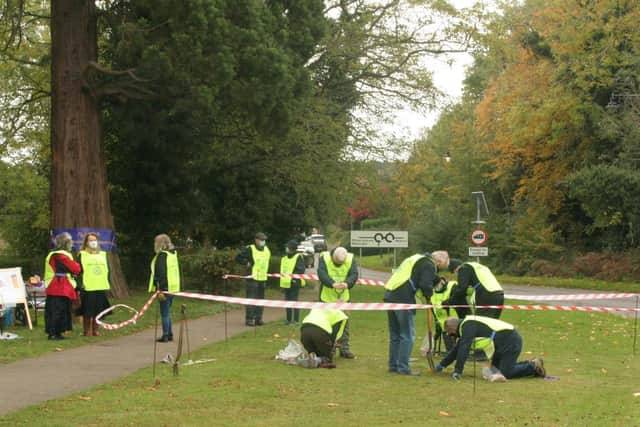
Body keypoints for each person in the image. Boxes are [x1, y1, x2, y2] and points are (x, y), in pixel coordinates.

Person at [383, 251, 446, 375]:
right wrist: (429, 296)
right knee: (407, 335)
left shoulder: (416, 258)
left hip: (391, 294)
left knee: (395, 334)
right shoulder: (429, 264)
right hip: (404, 298)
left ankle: (394, 365)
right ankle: (403, 368)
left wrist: (437, 279)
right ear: (438, 261)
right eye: (439, 268)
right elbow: (424, 283)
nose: (437, 269)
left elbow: (419, 275)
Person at [435, 315, 546, 380]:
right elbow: (457, 349)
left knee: (506, 373)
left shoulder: (467, 325)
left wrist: (457, 371)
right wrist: (442, 365)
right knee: (495, 372)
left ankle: (533, 365)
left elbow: (464, 348)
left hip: (510, 340)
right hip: (501, 343)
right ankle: (530, 364)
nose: (451, 335)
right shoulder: (467, 325)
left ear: (453, 328)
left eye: (450, 333)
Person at [317, 246, 358, 359]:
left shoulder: (350, 258)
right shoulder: (324, 258)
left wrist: (347, 284)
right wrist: (332, 283)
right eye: (337, 263)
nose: (339, 266)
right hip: (326, 298)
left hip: (344, 298)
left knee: (344, 325)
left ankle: (345, 349)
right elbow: (321, 274)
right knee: (327, 325)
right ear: (332, 257)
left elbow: (354, 274)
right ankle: (329, 349)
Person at [44, 232, 82, 340]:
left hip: (55, 286)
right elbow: (76, 269)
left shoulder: (54, 254)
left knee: (54, 310)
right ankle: (55, 333)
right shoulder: (61, 256)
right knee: (59, 311)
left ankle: (55, 333)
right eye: (70, 242)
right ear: (66, 243)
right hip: (59, 286)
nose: (72, 244)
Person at [76, 232, 112, 337]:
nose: (93, 242)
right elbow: (78, 271)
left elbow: (108, 270)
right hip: (88, 287)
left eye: (94, 240)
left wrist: (107, 282)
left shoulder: (103, 255)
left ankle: (95, 330)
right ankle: (86, 331)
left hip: (100, 286)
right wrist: (79, 285)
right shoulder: (82, 254)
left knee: (99, 311)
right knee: (87, 311)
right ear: (86, 242)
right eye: (90, 240)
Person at [148, 234, 181, 342]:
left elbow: (161, 274)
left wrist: (159, 289)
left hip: (165, 288)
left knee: (164, 313)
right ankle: (170, 333)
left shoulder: (162, 256)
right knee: (167, 311)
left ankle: (165, 335)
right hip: (173, 287)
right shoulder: (173, 254)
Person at [236, 232, 271, 326]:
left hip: (262, 278)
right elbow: (238, 258)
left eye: (264, 240)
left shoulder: (267, 250)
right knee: (251, 299)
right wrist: (246, 262)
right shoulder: (250, 249)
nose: (263, 241)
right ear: (256, 240)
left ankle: (258, 319)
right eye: (261, 240)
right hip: (252, 278)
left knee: (260, 300)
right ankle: (249, 319)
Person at [280, 240, 306, 325]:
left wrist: (293, 278)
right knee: (287, 302)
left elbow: (300, 270)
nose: (286, 248)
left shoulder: (298, 257)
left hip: (294, 283)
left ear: (292, 248)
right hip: (286, 283)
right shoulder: (284, 258)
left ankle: (295, 320)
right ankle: (288, 319)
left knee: (294, 301)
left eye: (288, 247)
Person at [431, 276, 459, 353]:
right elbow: (432, 308)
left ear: (442, 282)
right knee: (450, 351)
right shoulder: (432, 293)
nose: (436, 288)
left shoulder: (452, 286)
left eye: (437, 285)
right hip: (444, 326)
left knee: (459, 348)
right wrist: (436, 322)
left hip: (457, 322)